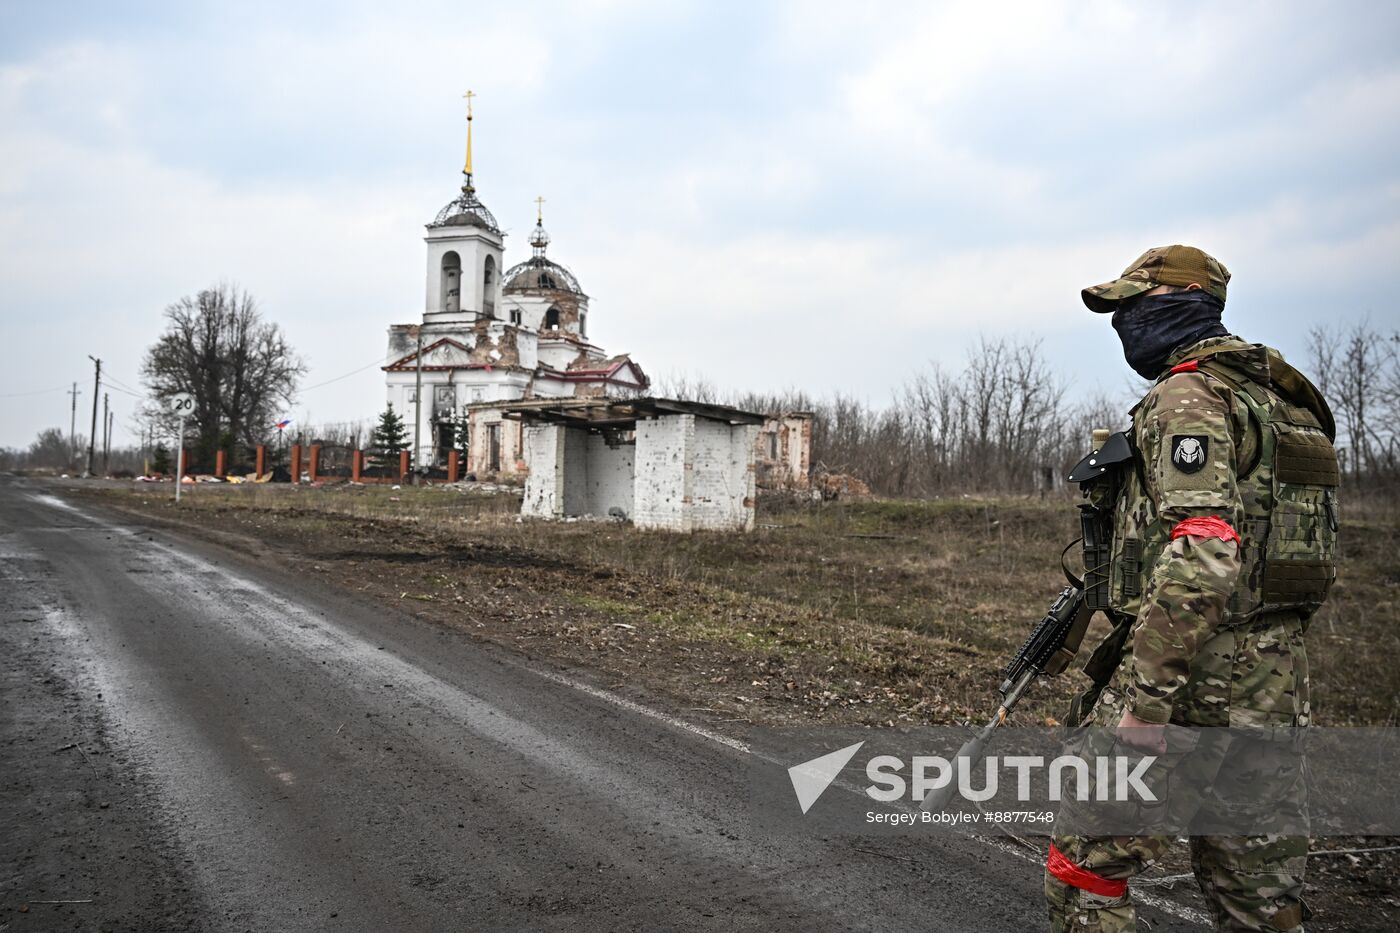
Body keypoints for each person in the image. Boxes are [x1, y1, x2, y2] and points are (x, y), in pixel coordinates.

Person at [1045, 245, 1340, 931]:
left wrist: (1146, 704)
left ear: (1179, 302)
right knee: (1258, 896)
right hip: (1273, 686)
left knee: (1086, 868)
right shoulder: (1281, 401)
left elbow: (1204, 546)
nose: (1122, 323)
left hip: (1189, 683)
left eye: (1131, 305)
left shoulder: (1189, 394)